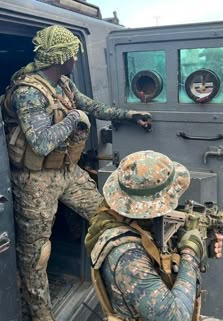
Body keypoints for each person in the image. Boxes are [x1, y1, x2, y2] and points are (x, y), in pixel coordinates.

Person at [2, 25, 152, 321]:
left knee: (106, 217)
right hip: (35, 182)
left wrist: (129, 115)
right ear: (61, 57)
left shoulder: (64, 84)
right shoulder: (29, 92)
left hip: (67, 172)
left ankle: (122, 286)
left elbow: (91, 106)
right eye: (72, 53)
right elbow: (42, 142)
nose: (75, 57)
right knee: (36, 255)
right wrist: (73, 118)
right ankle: (41, 314)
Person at [85, 150, 223, 321]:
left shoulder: (141, 222)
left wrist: (200, 242)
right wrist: (191, 252)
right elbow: (176, 318)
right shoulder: (126, 255)